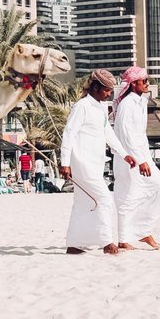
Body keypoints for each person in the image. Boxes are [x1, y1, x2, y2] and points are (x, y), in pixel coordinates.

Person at [60, 69, 136, 255]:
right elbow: (68, 133)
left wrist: (124, 153)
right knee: (104, 199)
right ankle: (107, 243)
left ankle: (74, 244)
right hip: (81, 162)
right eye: (106, 90)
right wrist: (65, 162)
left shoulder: (100, 108)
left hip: (95, 162)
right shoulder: (82, 106)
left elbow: (107, 133)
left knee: (82, 202)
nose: (109, 94)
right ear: (95, 87)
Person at [113, 66, 160, 251]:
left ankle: (143, 230)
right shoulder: (127, 104)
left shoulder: (141, 102)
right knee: (127, 197)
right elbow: (126, 135)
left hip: (143, 155)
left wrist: (145, 158)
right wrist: (140, 160)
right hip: (129, 158)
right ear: (133, 83)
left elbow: (138, 135)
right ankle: (124, 239)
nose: (147, 84)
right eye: (144, 81)